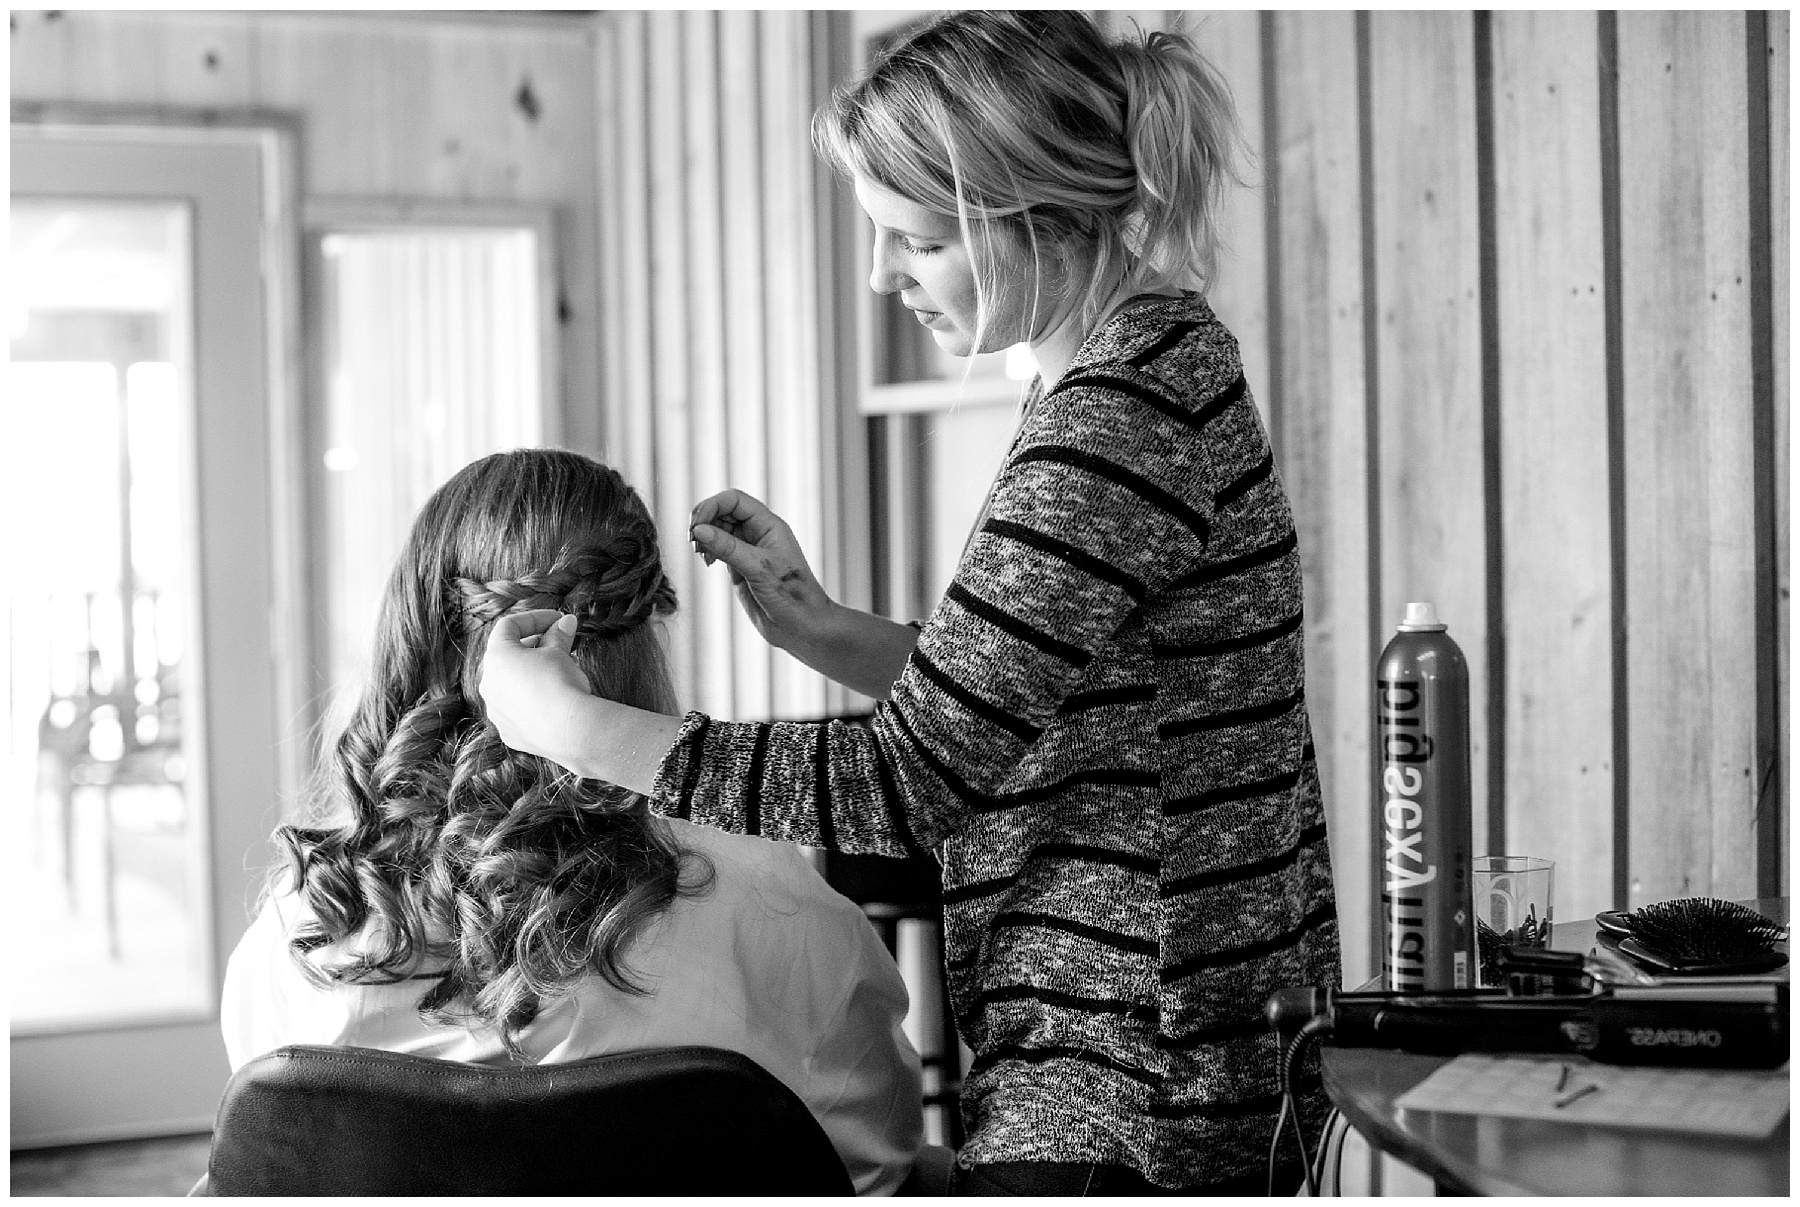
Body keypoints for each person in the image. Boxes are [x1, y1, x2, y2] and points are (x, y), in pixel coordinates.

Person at [480, 11, 1340, 1196]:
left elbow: (911, 780)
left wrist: (574, 731)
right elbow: (1077, 707)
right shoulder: (1124, 375)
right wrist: (823, 625)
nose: (882, 276)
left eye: (917, 242)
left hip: (1135, 1081)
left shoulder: (1115, 421)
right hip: (1144, 1050)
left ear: (1033, 218)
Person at [220, 449, 923, 1196]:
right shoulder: (772, 905)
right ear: (644, 632)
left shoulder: (302, 934)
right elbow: (875, 1160)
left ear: (419, 625)